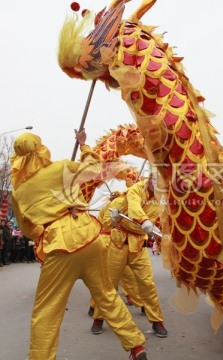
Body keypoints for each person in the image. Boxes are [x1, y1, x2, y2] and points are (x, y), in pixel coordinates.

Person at [10, 129, 147, 360]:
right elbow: (94, 169)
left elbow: (27, 229)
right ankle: (135, 345)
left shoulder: (18, 193)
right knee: (106, 294)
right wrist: (83, 146)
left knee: (47, 309)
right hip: (89, 236)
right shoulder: (61, 167)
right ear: (41, 149)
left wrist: (43, 231)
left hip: (59, 245)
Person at [91, 175, 168, 338]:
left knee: (147, 283)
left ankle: (156, 321)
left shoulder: (161, 198)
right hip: (118, 241)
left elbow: (159, 218)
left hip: (138, 244)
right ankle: (98, 317)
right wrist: (143, 220)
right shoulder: (136, 189)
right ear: (150, 178)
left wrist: (157, 228)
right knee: (109, 284)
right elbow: (134, 207)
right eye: (157, 180)